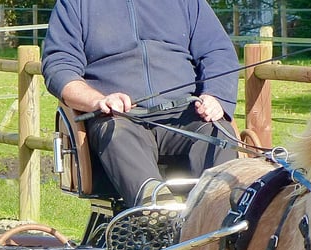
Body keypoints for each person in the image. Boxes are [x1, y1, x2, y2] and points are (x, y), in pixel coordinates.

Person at [42, 0, 240, 207]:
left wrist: (215, 95)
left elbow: (218, 52)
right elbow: (59, 66)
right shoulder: (76, 4)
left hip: (185, 115)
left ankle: (220, 217)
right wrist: (97, 100)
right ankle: (158, 213)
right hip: (120, 118)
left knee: (219, 133)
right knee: (116, 132)